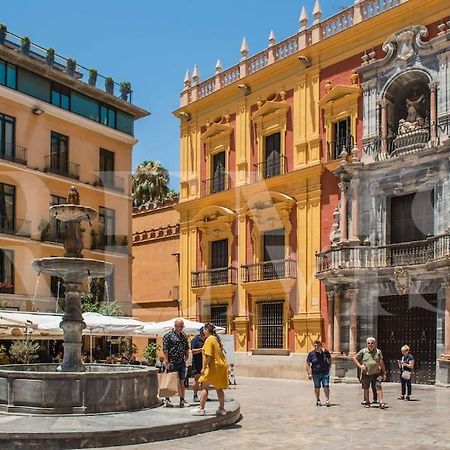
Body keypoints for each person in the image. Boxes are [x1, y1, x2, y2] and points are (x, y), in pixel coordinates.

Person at [192, 322, 229, 416]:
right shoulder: (216, 339)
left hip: (213, 367)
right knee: (219, 388)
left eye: (204, 329)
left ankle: (201, 408)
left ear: (207, 330)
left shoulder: (209, 340)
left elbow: (208, 356)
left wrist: (203, 368)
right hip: (221, 366)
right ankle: (221, 409)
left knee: (204, 387)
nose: (203, 331)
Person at [353, 337, 387, 409]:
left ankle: (381, 402)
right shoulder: (363, 351)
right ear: (367, 344)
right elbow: (354, 358)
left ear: (375, 344)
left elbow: (381, 362)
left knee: (378, 387)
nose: (370, 344)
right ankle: (367, 402)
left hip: (376, 373)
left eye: (372, 343)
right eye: (369, 343)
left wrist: (384, 372)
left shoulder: (378, 352)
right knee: (366, 388)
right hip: (366, 373)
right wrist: (360, 366)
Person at [162, 318, 190, 407]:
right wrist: (166, 360)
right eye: (180, 326)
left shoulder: (183, 336)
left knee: (182, 381)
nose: (182, 328)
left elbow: (186, 346)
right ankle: (167, 399)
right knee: (170, 381)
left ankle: (182, 400)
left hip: (181, 362)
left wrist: (187, 355)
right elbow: (165, 349)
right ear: (175, 326)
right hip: (172, 362)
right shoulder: (168, 336)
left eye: (182, 326)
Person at [305, 340, 332, 407]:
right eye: (315, 346)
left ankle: (327, 400)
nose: (316, 347)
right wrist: (309, 373)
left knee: (326, 385)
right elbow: (307, 363)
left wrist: (328, 367)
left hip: (325, 372)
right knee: (317, 387)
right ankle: (318, 400)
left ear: (321, 346)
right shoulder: (311, 354)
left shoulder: (326, 352)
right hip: (315, 373)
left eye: (317, 346)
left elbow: (330, 359)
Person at [191, 327, 206, 403]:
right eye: (203, 333)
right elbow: (193, 351)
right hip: (196, 362)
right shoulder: (195, 340)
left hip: (205, 362)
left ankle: (204, 396)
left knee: (205, 379)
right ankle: (195, 395)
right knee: (197, 379)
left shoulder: (207, 339)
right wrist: (201, 349)